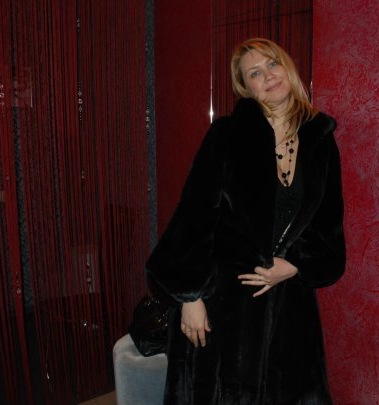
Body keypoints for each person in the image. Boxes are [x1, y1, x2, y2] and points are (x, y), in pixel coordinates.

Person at [146, 38, 345, 405]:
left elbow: (328, 226)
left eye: (272, 64)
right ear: (245, 88)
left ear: (287, 67)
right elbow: (193, 217)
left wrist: (294, 266)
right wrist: (189, 297)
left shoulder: (320, 141)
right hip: (222, 303)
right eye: (254, 73)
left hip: (288, 306)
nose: (267, 76)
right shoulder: (227, 135)